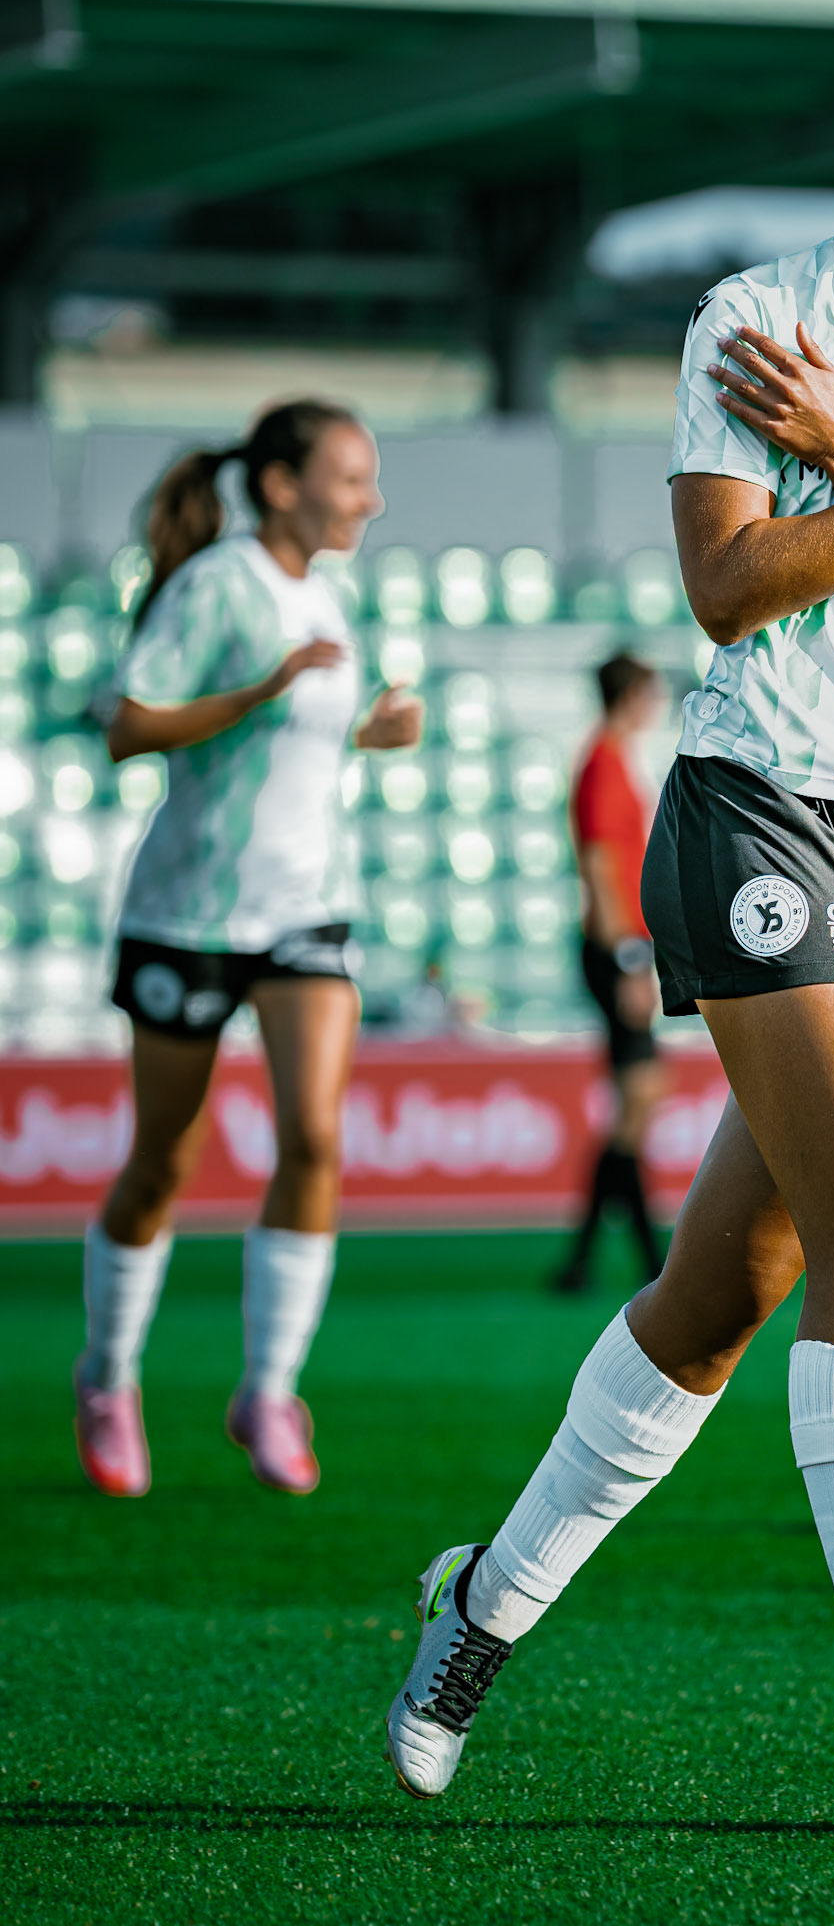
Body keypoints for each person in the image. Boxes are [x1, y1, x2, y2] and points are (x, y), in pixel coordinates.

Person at [387, 9, 834, 1814]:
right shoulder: (749, 318)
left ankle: (483, 1599)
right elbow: (731, 590)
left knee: (719, 1294)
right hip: (761, 792)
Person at [73, 400, 423, 1501]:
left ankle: (268, 1389)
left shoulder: (331, 592)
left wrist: (372, 729)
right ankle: (107, 1373)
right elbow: (126, 724)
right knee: (164, 1160)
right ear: (280, 485)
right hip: (187, 915)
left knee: (314, 1137)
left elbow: (308, 740)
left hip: (305, 911)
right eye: (349, 477)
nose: (368, 499)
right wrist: (261, 689)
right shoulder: (216, 584)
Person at [553, 652, 668, 1293]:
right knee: (639, 1095)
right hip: (613, 946)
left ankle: (595, 1259)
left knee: (637, 1099)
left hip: (624, 944)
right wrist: (628, 955)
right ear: (631, 696)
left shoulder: (613, 760)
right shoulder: (601, 763)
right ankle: (635, 1255)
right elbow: (599, 865)